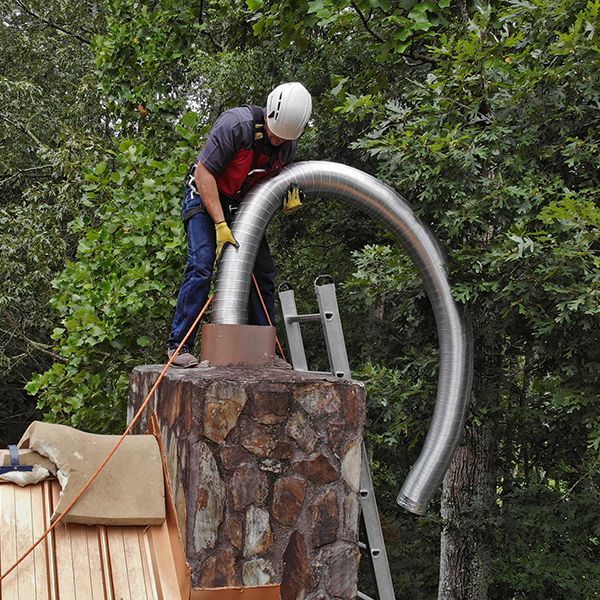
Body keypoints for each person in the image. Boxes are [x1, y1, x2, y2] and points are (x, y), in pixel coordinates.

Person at [167, 82, 312, 367]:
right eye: (274, 135)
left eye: (284, 139)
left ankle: (266, 351)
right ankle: (178, 346)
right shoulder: (237, 125)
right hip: (204, 194)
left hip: (241, 205)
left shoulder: (287, 143)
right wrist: (220, 224)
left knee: (263, 271)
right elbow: (204, 172)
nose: (278, 141)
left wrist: (286, 199)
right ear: (270, 113)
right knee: (202, 263)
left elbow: (272, 181)